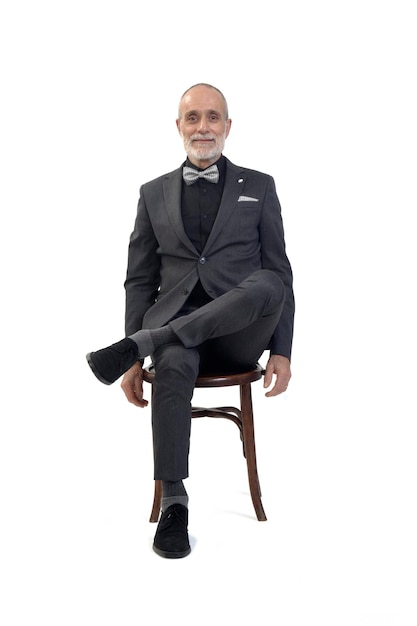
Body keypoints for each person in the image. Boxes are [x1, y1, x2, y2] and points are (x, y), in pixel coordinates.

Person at [86, 83, 295, 559]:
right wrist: (135, 361)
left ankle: (146, 341)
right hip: (180, 333)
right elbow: (138, 281)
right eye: (193, 118)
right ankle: (175, 502)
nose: (204, 127)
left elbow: (279, 269)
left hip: (240, 335)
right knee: (175, 364)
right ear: (179, 126)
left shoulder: (259, 186)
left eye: (213, 117)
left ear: (228, 126)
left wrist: (281, 349)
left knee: (268, 283)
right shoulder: (152, 193)